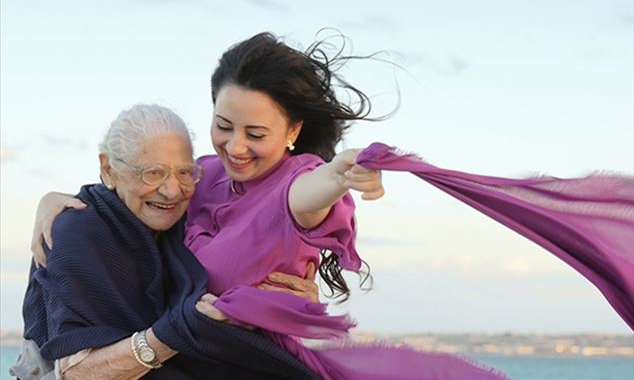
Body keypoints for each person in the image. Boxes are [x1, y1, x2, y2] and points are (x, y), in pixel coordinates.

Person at [28, 33, 512, 380]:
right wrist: (53, 201)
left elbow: (304, 197)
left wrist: (340, 172)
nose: (235, 147)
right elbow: (136, 182)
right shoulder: (201, 176)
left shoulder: (294, 188)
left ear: (293, 132)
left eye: (256, 134)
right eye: (223, 125)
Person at [12, 104, 324, 380]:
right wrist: (181, 330)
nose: (172, 191)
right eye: (153, 173)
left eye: (185, 173)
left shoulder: (190, 224)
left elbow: (242, 277)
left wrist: (293, 302)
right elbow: (78, 372)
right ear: (108, 168)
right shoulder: (78, 232)